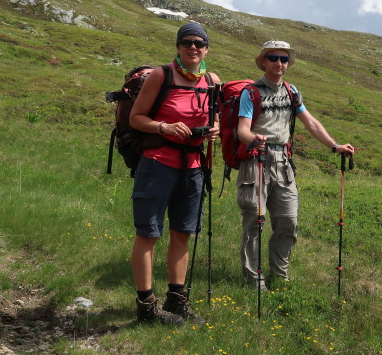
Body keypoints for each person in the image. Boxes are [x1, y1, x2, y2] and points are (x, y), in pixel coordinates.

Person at [236, 40, 354, 289]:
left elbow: (310, 123)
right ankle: (253, 280)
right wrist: (253, 140)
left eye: (284, 59)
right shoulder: (251, 92)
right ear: (264, 62)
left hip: (283, 164)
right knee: (254, 222)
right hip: (256, 161)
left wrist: (334, 146)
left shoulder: (292, 92)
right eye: (274, 58)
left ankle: (279, 277)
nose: (279, 63)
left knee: (288, 222)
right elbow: (242, 130)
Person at [129, 22, 220, 325]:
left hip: (193, 168)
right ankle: (146, 306)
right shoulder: (162, 75)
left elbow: (214, 119)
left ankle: (176, 301)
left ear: (207, 48)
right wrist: (163, 127)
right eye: (186, 42)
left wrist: (215, 130)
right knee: (149, 234)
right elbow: (136, 118)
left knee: (182, 233)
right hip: (157, 164)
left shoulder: (212, 80)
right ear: (178, 46)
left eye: (199, 43)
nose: (193, 47)